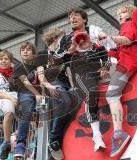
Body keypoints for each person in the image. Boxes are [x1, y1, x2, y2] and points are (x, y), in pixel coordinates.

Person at [56, 8, 110, 152]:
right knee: (91, 94)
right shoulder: (66, 38)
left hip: (97, 70)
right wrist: (70, 49)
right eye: (70, 16)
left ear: (84, 19)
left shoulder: (92, 33)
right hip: (80, 72)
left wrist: (105, 67)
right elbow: (54, 60)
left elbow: (105, 54)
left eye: (76, 15)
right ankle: (97, 135)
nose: (72, 18)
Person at [98, 3, 137, 157]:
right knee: (111, 94)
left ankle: (119, 134)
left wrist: (110, 38)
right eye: (118, 13)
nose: (119, 15)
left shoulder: (129, 24)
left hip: (128, 63)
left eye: (123, 12)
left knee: (111, 94)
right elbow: (114, 54)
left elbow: (127, 40)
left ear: (130, 13)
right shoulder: (125, 26)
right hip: (124, 64)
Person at [41, 28, 77, 160]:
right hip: (53, 84)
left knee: (66, 114)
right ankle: (53, 139)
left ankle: (56, 146)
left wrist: (73, 87)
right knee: (65, 103)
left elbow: (68, 71)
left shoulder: (64, 54)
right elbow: (40, 75)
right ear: (56, 38)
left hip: (65, 85)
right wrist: (49, 86)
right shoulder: (43, 55)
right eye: (63, 37)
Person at [11, 42, 44, 158]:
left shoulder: (38, 66)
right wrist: (36, 94)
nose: (25, 51)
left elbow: (42, 79)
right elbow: (25, 82)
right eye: (23, 50)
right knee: (27, 108)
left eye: (28, 49)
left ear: (33, 54)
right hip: (25, 93)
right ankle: (20, 144)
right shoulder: (18, 66)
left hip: (40, 94)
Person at [0, 50, 18, 159]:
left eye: (6, 59)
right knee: (9, 113)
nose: (3, 61)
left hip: (16, 98)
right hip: (4, 99)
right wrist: (11, 98)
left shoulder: (15, 74)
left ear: (10, 61)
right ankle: (6, 143)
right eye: (1, 59)